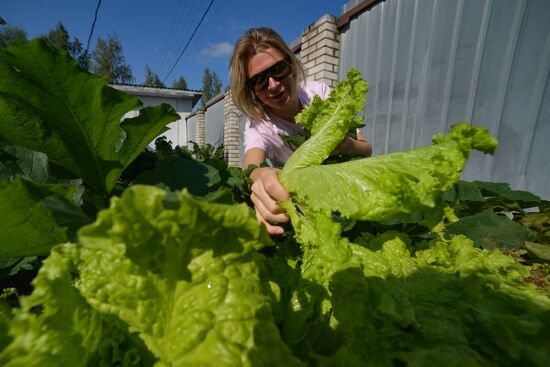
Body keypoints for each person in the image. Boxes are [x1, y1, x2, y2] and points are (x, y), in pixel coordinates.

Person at [229, 27, 372, 235]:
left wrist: (346, 146)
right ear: (250, 91)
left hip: (349, 193)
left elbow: (367, 149)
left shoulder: (320, 94)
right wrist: (262, 177)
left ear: (292, 65)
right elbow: (250, 168)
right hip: (306, 209)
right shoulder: (259, 125)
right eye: (259, 81)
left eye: (278, 70)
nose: (273, 85)